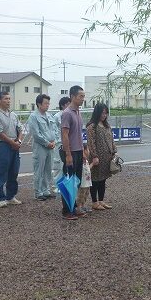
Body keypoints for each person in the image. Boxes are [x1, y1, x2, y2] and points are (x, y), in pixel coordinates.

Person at [0, 91, 23, 208]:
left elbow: (20, 129)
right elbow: (0, 133)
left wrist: (18, 141)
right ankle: (0, 198)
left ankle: (11, 196)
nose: (8, 101)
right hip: (4, 146)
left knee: (14, 172)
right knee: (2, 172)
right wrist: (12, 143)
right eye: (5, 99)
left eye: (9, 99)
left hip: (15, 144)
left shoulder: (13, 115)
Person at [60, 85, 86, 220]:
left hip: (78, 151)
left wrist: (82, 151)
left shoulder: (77, 112)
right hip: (70, 152)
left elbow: (79, 134)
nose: (83, 99)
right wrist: (68, 154)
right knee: (68, 181)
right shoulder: (67, 113)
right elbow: (64, 135)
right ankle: (66, 210)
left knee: (76, 181)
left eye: (83, 96)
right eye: (80, 96)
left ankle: (74, 206)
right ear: (72, 97)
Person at [86, 102, 116, 210]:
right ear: (97, 113)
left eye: (106, 113)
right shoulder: (92, 126)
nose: (104, 115)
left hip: (106, 157)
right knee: (95, 180)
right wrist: (94, 156)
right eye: (102, 113)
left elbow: (111, 140)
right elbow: (91, 142)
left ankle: (101, 201)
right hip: (97, 158)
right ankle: (94, 202)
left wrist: (114, 151)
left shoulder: (107, 126)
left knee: (103, 179)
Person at [28, 93, 56, 201]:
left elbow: (54, 130)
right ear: (39, 104)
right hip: (40, 147)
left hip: (51, 146)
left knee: (48, 169)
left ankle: (46, 190)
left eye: (48, 103)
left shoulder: (49, 115)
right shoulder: (34, 116)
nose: (47, 105)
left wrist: (53, 141)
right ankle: (38, 192)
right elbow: (36, 134)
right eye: (45, 103)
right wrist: (47, 143)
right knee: (39, 169)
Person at [51, 96, 70, 194]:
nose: (69, 106)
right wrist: (58, 142)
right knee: (58, 165)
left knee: (67, 165)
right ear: (62, 105)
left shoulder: (71, 114)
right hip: (59, 144)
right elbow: (55, 131)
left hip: (68, 144)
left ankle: (65, 184)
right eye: (67, 104)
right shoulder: (57, 116)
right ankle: (56, 186)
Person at [76, 145, 93, 214]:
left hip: (87, 182)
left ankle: (83, 206)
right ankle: (78, 208)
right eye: (87, 149)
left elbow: (88, 168)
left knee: (86, 194)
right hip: (82, 182)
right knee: (80, 195)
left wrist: (93, 164)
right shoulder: (80, 161)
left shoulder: (86, 161)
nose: (89, 151)